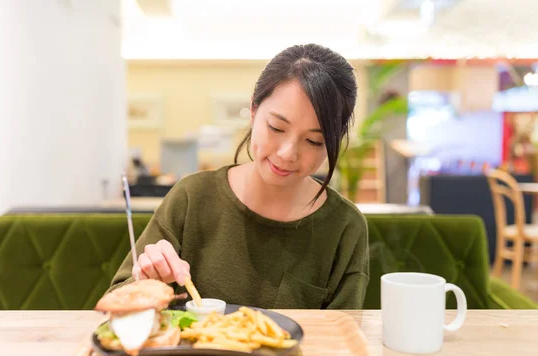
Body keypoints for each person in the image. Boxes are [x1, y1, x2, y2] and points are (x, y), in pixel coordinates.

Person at [110, 43, 369, 309]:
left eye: (314, 141)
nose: (287, 153)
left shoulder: (344, 227)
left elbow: (340, 334)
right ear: (254, 111)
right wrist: (147, 280)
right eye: (276, 127)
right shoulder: (192, 198)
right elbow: (115, 306)